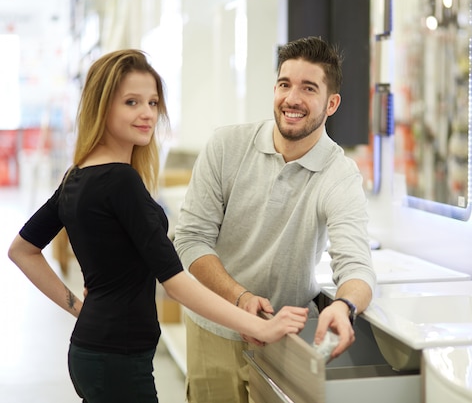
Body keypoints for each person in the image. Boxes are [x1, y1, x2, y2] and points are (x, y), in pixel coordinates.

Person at [7, 49, 308, 403]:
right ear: (102, 106)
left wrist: (80, 309)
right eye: (131, 102)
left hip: (91, 350)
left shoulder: (78, 176)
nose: (147, 114)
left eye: (152, 102)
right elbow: (177, 284)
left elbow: (22, 250)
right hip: (119, 359)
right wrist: (259, 326)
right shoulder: (120, 181)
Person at [174, 36, 377, 403]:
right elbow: (191, 239)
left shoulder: (339, 175)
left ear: (332, 103)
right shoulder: (225, 146)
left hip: (283, 339)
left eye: (308, 88)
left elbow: (357, 267)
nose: (292, 99)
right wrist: (240, 299)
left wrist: (343, 307)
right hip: (213, 327)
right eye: (284, 84)